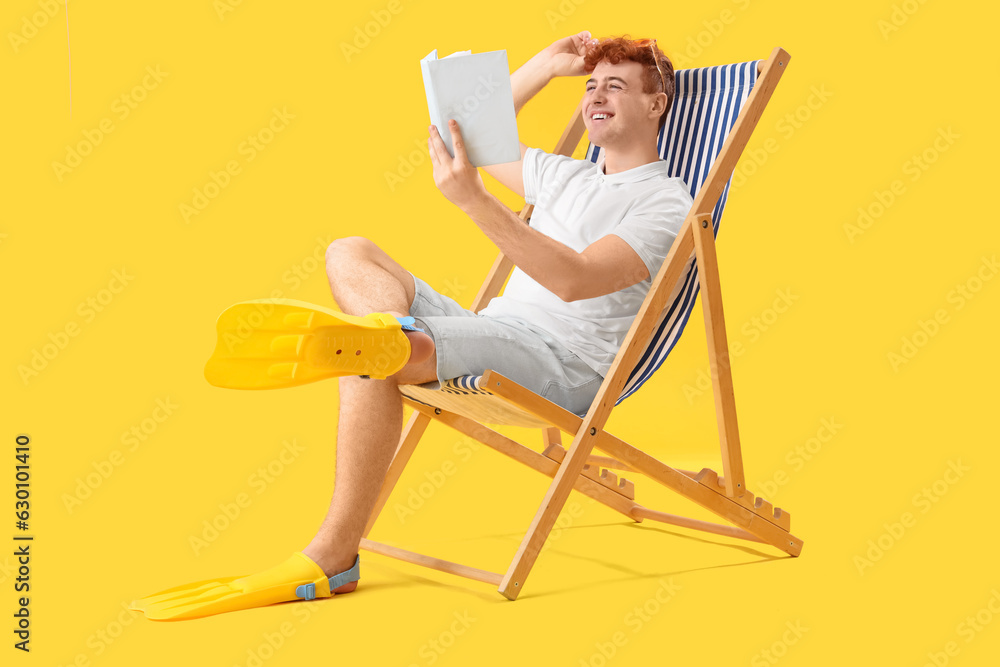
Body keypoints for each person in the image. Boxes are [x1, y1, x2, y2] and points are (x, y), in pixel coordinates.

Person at [132, 32, 693, 620]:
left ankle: (333, 551)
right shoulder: (567, 176)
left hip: (561, 364)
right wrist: (548, 65)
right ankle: (383, 334)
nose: (596, 95)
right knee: (351, 252)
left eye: (618, 86)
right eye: (591, 85)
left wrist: (476, 203)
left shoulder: (665, 204)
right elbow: (466, 126)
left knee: (371, 354)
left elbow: (575, 280)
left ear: (656, 105)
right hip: (494, 328)